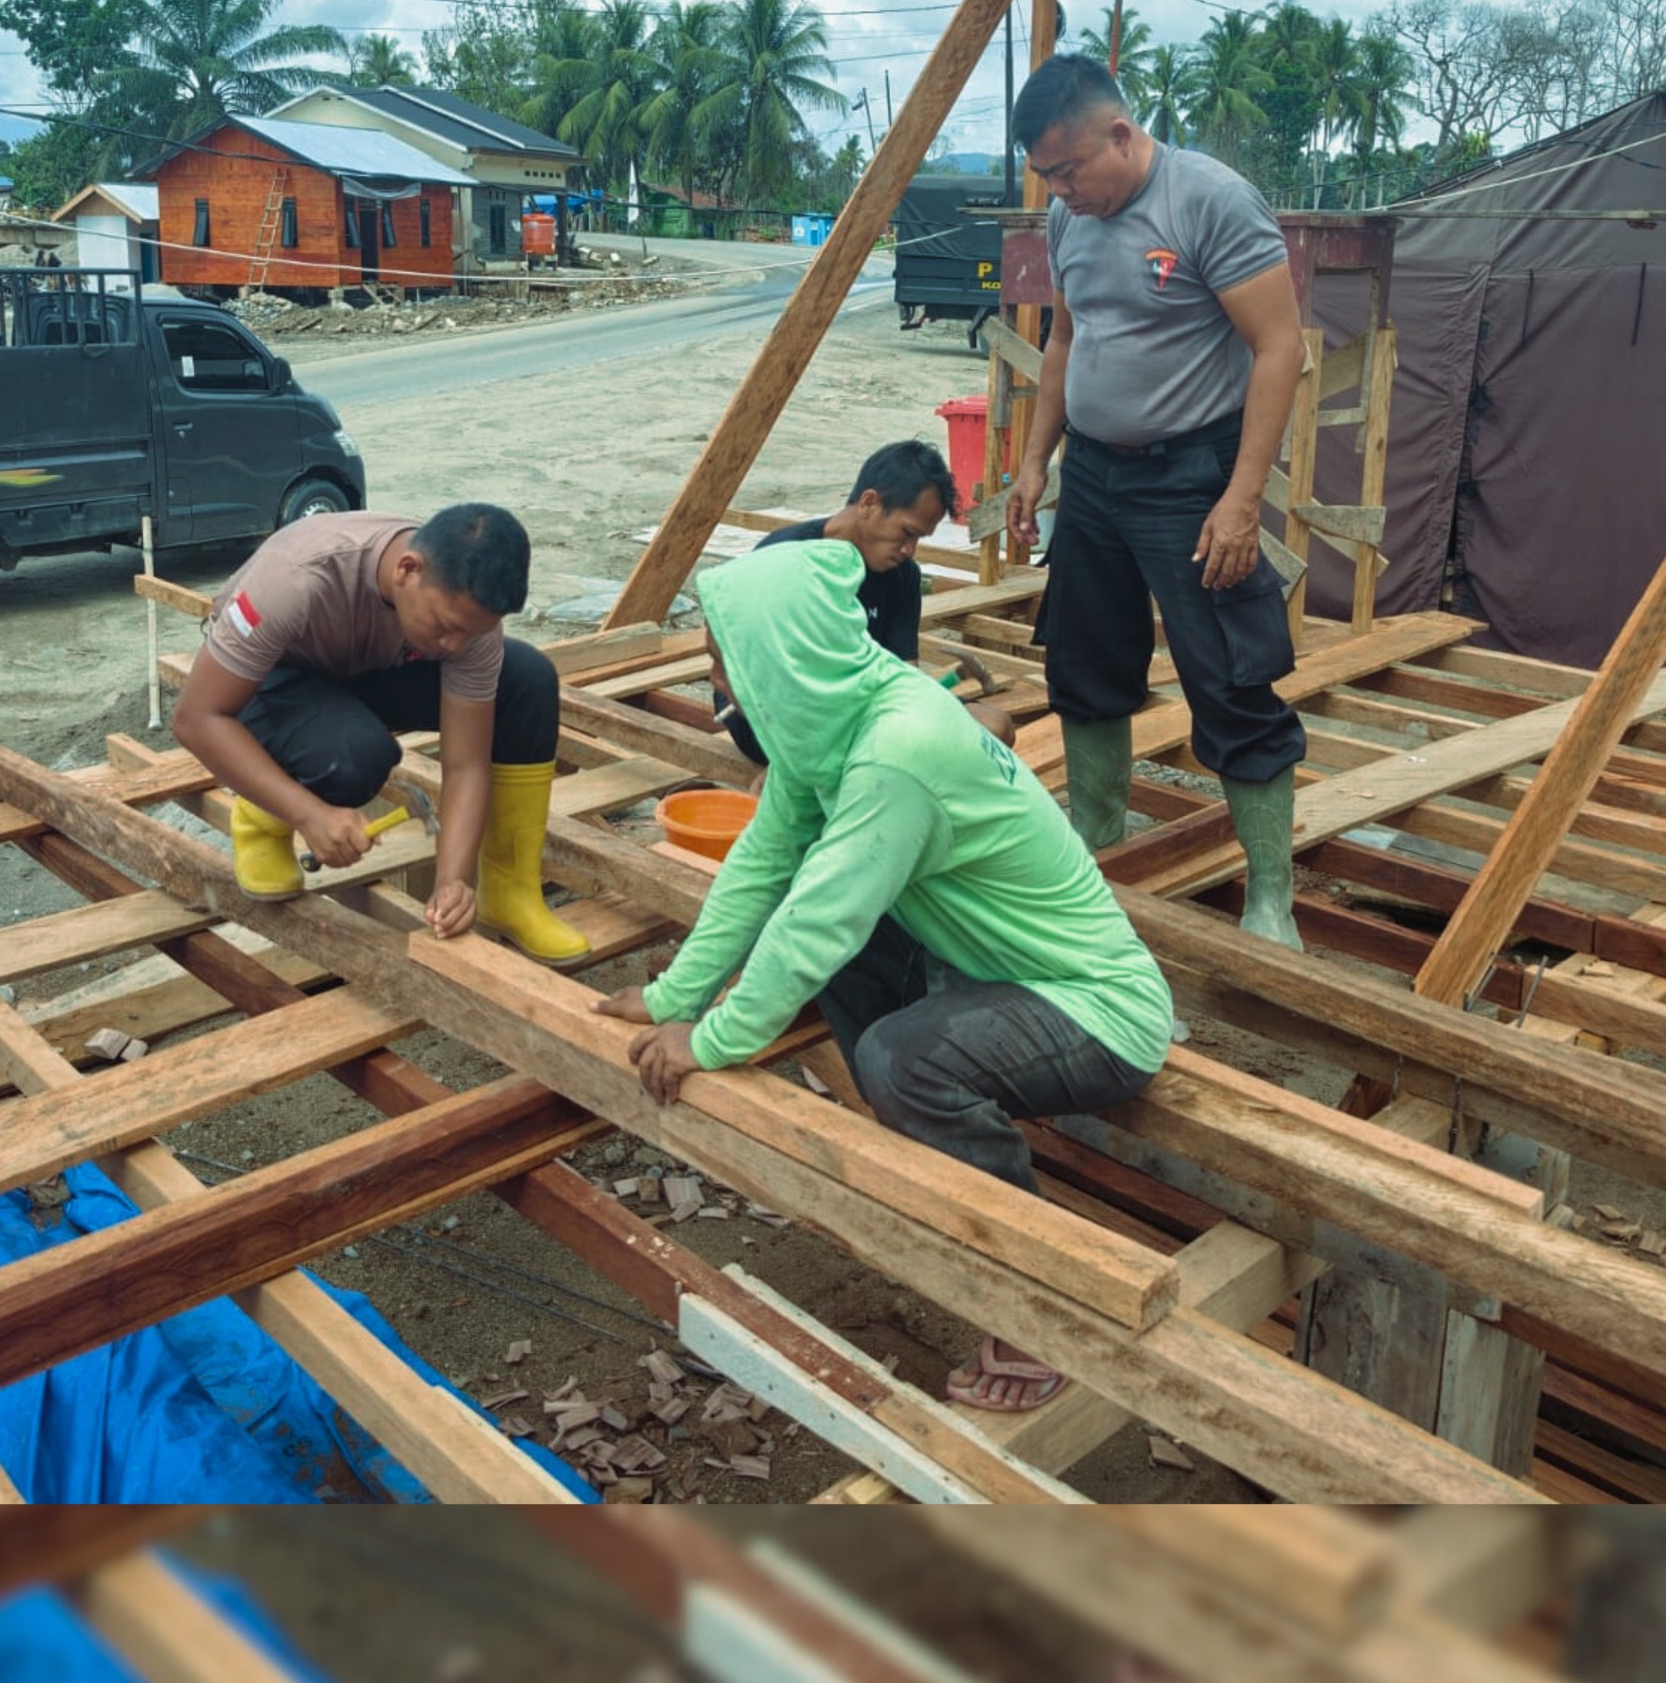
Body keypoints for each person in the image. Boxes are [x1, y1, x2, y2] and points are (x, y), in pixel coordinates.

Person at [597, 540, 1175, 1411]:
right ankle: (934, 1144)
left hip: (1096, 1010)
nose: (719, 684)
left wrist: (708, 1042)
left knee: (903, 1062)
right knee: (848, 971)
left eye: (725, 660)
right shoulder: (838, 719)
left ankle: (1036, 1303)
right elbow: (763, 863)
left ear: (781, 656)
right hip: (989, 975)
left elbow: (815, 923)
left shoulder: (895, 751)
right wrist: (674, 996)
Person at [1003, 54, 1308, 946]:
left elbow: (1279, 349)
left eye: (1069, 170)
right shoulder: (1068, 216)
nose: (1062, 192)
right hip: (1094, 477)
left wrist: (1241, 501)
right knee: (1083, 661)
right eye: (1047, 177)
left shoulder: (1209, 201)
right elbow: (1065, 341)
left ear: (1119, 134)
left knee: (1230, 677)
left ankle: (1270, 899)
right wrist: (1034, 462)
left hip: (1189, 478)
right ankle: (1097, 837)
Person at [172, 503, 589, 964]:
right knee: (354, 759)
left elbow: (465, 764)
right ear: (407, 570)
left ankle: (510, 894)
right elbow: (197, 718)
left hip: (365, 665)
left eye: (470, 634)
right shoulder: (293, 581)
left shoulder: (466, 621)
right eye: (446, 627)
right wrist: (310, 814)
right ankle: (262, 817)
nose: (455, 646)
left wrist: (453, 880)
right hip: (274, 674)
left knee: (527, 679)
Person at [719, 440, 1015, 767]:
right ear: (869, 503)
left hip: (857, 711)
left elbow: (902, 674)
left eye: (919, 538)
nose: (910, 550)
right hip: (775, 714)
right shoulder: (786, 555)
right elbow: (738, 665)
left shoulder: (902, 575)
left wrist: (921, 707)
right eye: (907, 532)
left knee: (994, 727)